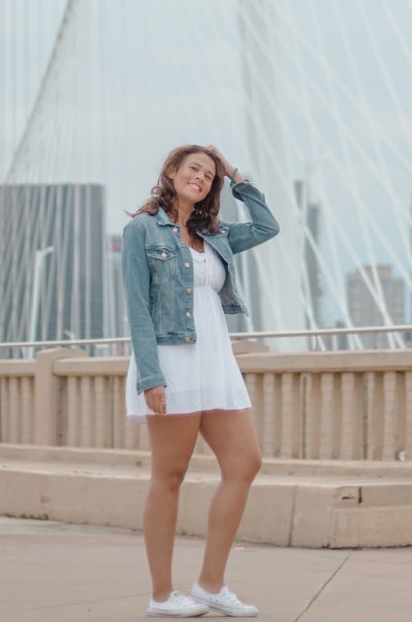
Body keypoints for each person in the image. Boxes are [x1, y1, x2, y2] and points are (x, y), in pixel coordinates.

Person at [122, 144, 280, 618]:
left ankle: (211, 584)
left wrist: (236, 175)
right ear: (170, 172)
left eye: (209, 175)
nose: (202, 178)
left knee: (245, 463)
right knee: (169, 476)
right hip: (172, 361)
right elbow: (137, 309)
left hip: (216, 363)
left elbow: (268, 226)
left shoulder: (217, 234)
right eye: (194, 169)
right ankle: (162, 594)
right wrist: (151, 375)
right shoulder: (141, 231)